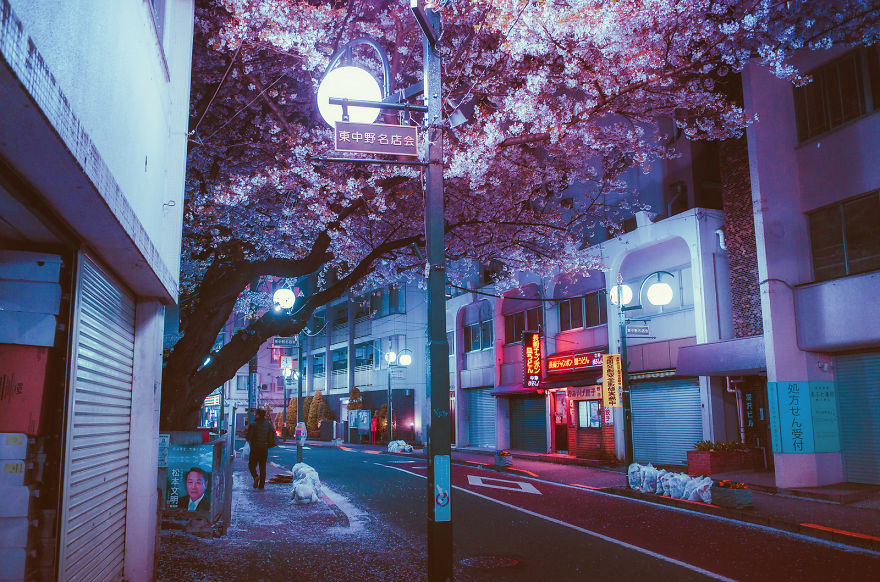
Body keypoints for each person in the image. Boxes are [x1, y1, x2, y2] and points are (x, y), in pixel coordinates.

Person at [246, 408, 275, 489]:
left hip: (255, 448)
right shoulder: (268, 424)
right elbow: (271, 436)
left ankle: (255, 477)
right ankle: (261, 486)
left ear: (258, 414)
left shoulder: (254, 424)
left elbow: (249, 437)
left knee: (251, 465)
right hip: (264, 448)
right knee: (262, 467)